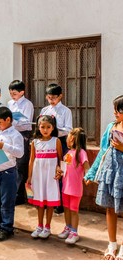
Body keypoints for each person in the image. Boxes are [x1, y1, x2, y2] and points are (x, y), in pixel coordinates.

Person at [85, 95, 123, 260]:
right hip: (110, 173)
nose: (115, 113)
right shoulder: (111, 127)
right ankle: (112, 244)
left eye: (119, 110)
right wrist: (91, 173)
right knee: (110, 208)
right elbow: (102, 151)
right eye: (115, 109)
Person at [0, 106, 24, 242]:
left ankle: (6, 228)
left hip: (7, 172)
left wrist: (4, 146)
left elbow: (20, 153)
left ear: (8, 119)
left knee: (6, 203)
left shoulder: (16, 135)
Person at [27, 115, 62, 239]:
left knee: (50, 201)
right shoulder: (35, 142)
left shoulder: (56, 141)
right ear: (38, 127)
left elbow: (60, 159)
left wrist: (59, 169)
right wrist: (29, 177)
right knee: (40, 202)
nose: (45, 129)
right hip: (38, 175)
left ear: (53, 128)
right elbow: (31, 160)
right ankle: (39, 225)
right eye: (42, 127)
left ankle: (47, 226)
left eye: (48, 127)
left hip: (51, 176)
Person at [40, 83, 73, 214]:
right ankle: (49, 199)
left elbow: (69, 129)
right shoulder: (44, 111)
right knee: (48, 171)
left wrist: (55, 131)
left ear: (60, 96)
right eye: (48, 98)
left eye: (53, 97)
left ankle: (60, 202)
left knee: (60, 171)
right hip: (47, 143)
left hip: (61, 142)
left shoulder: (66, 111)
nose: (51, 100)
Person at [57, 128, 89, 244]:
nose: (66, 140)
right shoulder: (68, 153)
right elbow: (64, 168)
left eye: (68, 137)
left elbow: (86, 167)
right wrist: (59, 172)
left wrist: (88, 177)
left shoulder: (81, 153)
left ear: (73, 139)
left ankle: (74, 232)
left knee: (74, 210)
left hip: (75, 188)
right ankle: (68, 228)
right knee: (66, 208)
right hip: (65, 187)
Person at [7, 80, 34, 205]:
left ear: (22, 92)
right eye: (11, 92)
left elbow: (26, 122)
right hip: (11, 134)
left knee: (21, 165)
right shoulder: (9, 103)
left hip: (23, 134)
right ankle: (12, 192)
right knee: (12, 163)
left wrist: (14, 121)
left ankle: (20, 196)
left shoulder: (27, 104)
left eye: (15, 93)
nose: (12, 95)